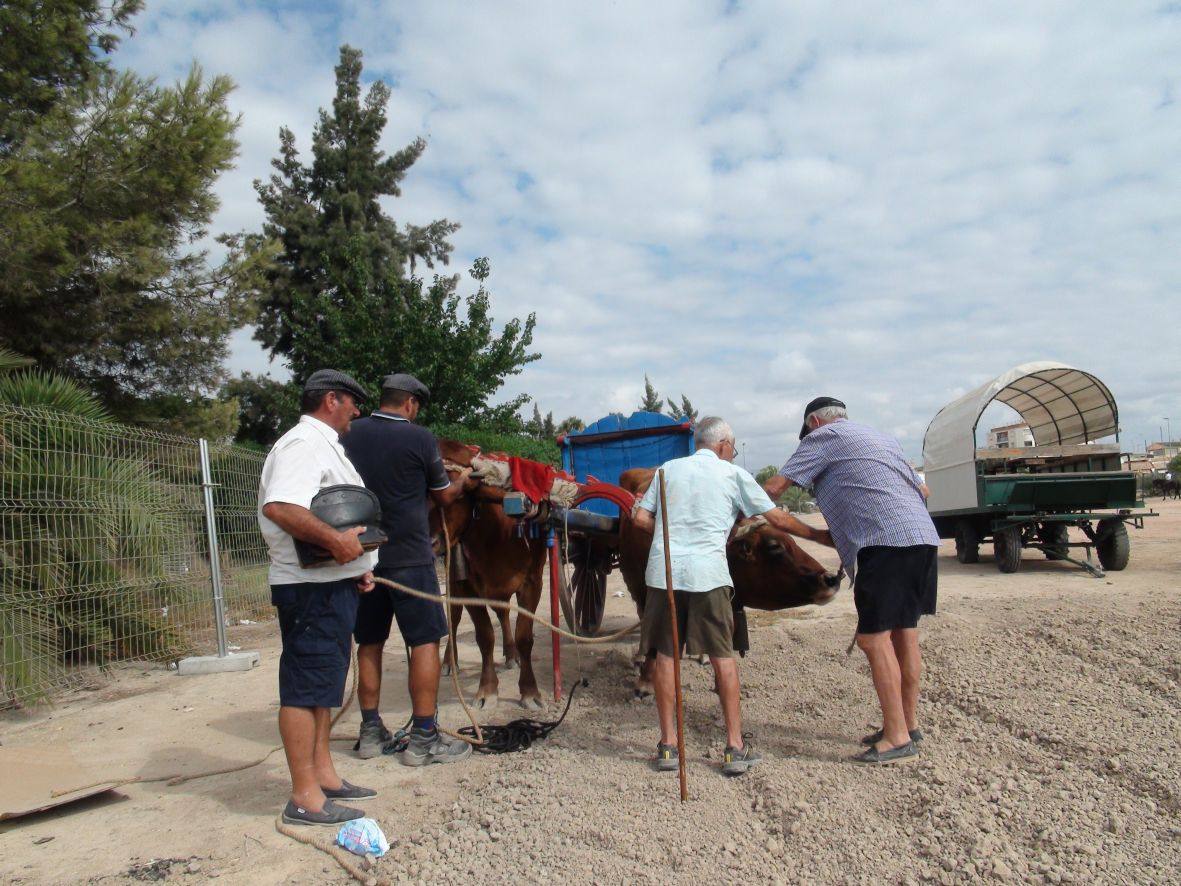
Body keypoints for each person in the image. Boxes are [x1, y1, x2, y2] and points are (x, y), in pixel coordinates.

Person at [632, 416, 834, 777]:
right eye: (734, 447)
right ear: (724, 445)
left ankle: (667, 747)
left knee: (665, 656)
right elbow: (778, 519)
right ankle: (734, 748)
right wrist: (819, 536)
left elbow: (640, 520)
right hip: (709, 576)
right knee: (723, 657)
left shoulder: (666, 471)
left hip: (665, 574)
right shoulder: (733, 474)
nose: (733, 452)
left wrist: (670, 532)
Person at [764, 397, 940, 765]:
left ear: (814, 422)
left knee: (872, 639)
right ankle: (908, 725)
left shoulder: (821, 439)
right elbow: (923, 491)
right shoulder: (882, 439)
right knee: (904, 632)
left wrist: (735, 500)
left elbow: (774, 489)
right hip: (922, 537)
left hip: (884, 542)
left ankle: (896, 739)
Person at [257, 369, 378, 826]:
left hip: (331, 585)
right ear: (331, 400)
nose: (357, 411)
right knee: (305, 689)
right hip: (309, 592)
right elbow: (281, 507)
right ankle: (305, 797)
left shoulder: (323, 444)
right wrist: (338, 544)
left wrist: (356, 568)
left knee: (323, 687)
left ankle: (324, 776)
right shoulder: (302, 445)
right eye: (352, 402)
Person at [341, 373, 474, 765]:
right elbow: (443, 495)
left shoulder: (348, 435)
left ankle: (369, 732)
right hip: (411, 558)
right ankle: (424, 737)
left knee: (369, 642)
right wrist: (463, 481)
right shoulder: (420, 439)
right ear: (411, 404)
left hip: (364, 558)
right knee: (425, 642)